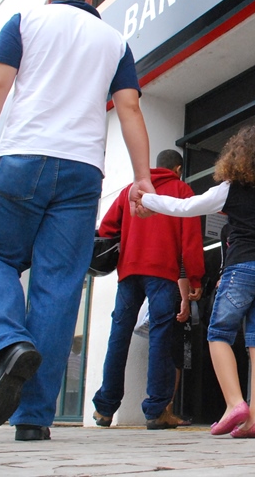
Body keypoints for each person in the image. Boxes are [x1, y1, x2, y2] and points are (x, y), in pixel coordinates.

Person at [0, 0, 153, 441]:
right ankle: (34, 418)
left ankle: (6, 345)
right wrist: (142, 178)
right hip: (83, 171)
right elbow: (129, 107)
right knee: (58, 285)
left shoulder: (25, 21)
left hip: (21, 157)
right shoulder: (114, 41)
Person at [139, 125, 255, 438]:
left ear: (238, 155)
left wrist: (149, 200)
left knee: (219, 334)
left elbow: (185, 208)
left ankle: (234, 404)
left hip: (242, 267)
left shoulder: (232, 187)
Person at [92, 149, 205, 429]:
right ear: (178, 168)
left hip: (129, 271)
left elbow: (106, 229)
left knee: (118, 335)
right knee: (161, 337)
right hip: (162, 273)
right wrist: (195, 278)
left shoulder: (133, 190)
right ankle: (156, 411)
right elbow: (190, 238)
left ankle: (105, 409)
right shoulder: (181, 189)